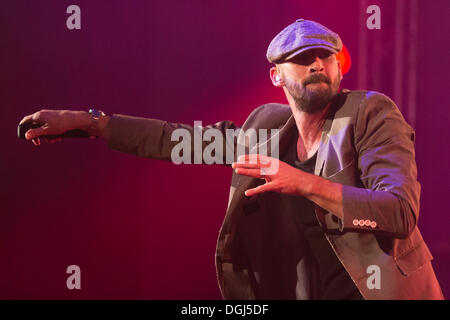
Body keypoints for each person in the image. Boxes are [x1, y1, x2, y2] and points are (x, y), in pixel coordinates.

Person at [19, 19, 443, 300]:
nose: (315, 63)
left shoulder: (370, 112)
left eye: (324, 55)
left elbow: (399, 212)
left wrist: (304, 182)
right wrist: (91, 123)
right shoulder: (265, 129)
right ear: (276, 75)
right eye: (300, 58)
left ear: (338, 66)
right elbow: (174, 140)